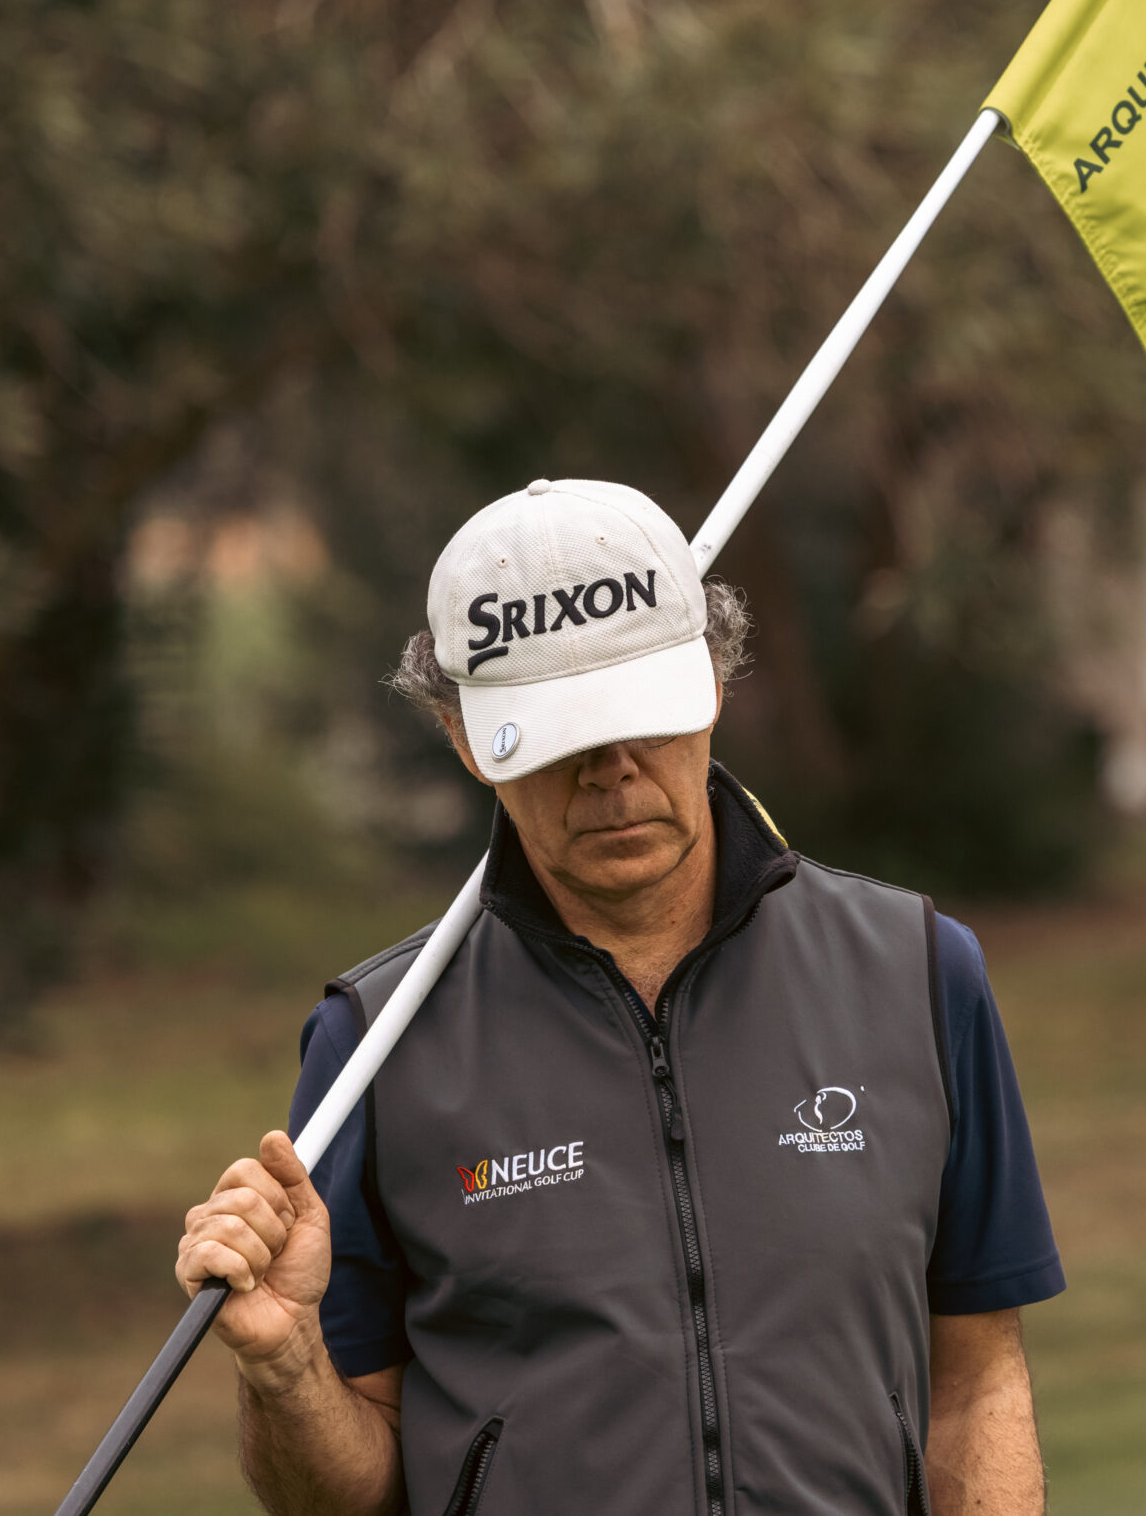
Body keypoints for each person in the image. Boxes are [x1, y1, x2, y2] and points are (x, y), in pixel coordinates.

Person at [175, 478, 1064, 1516]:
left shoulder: (919, 973)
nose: (612, 770)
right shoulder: (373, 1043)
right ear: (463, 737)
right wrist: (285, 1369)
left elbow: (978, 1382)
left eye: (641, 713)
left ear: (714, 683)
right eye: (559, 736)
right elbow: (344, 1498)